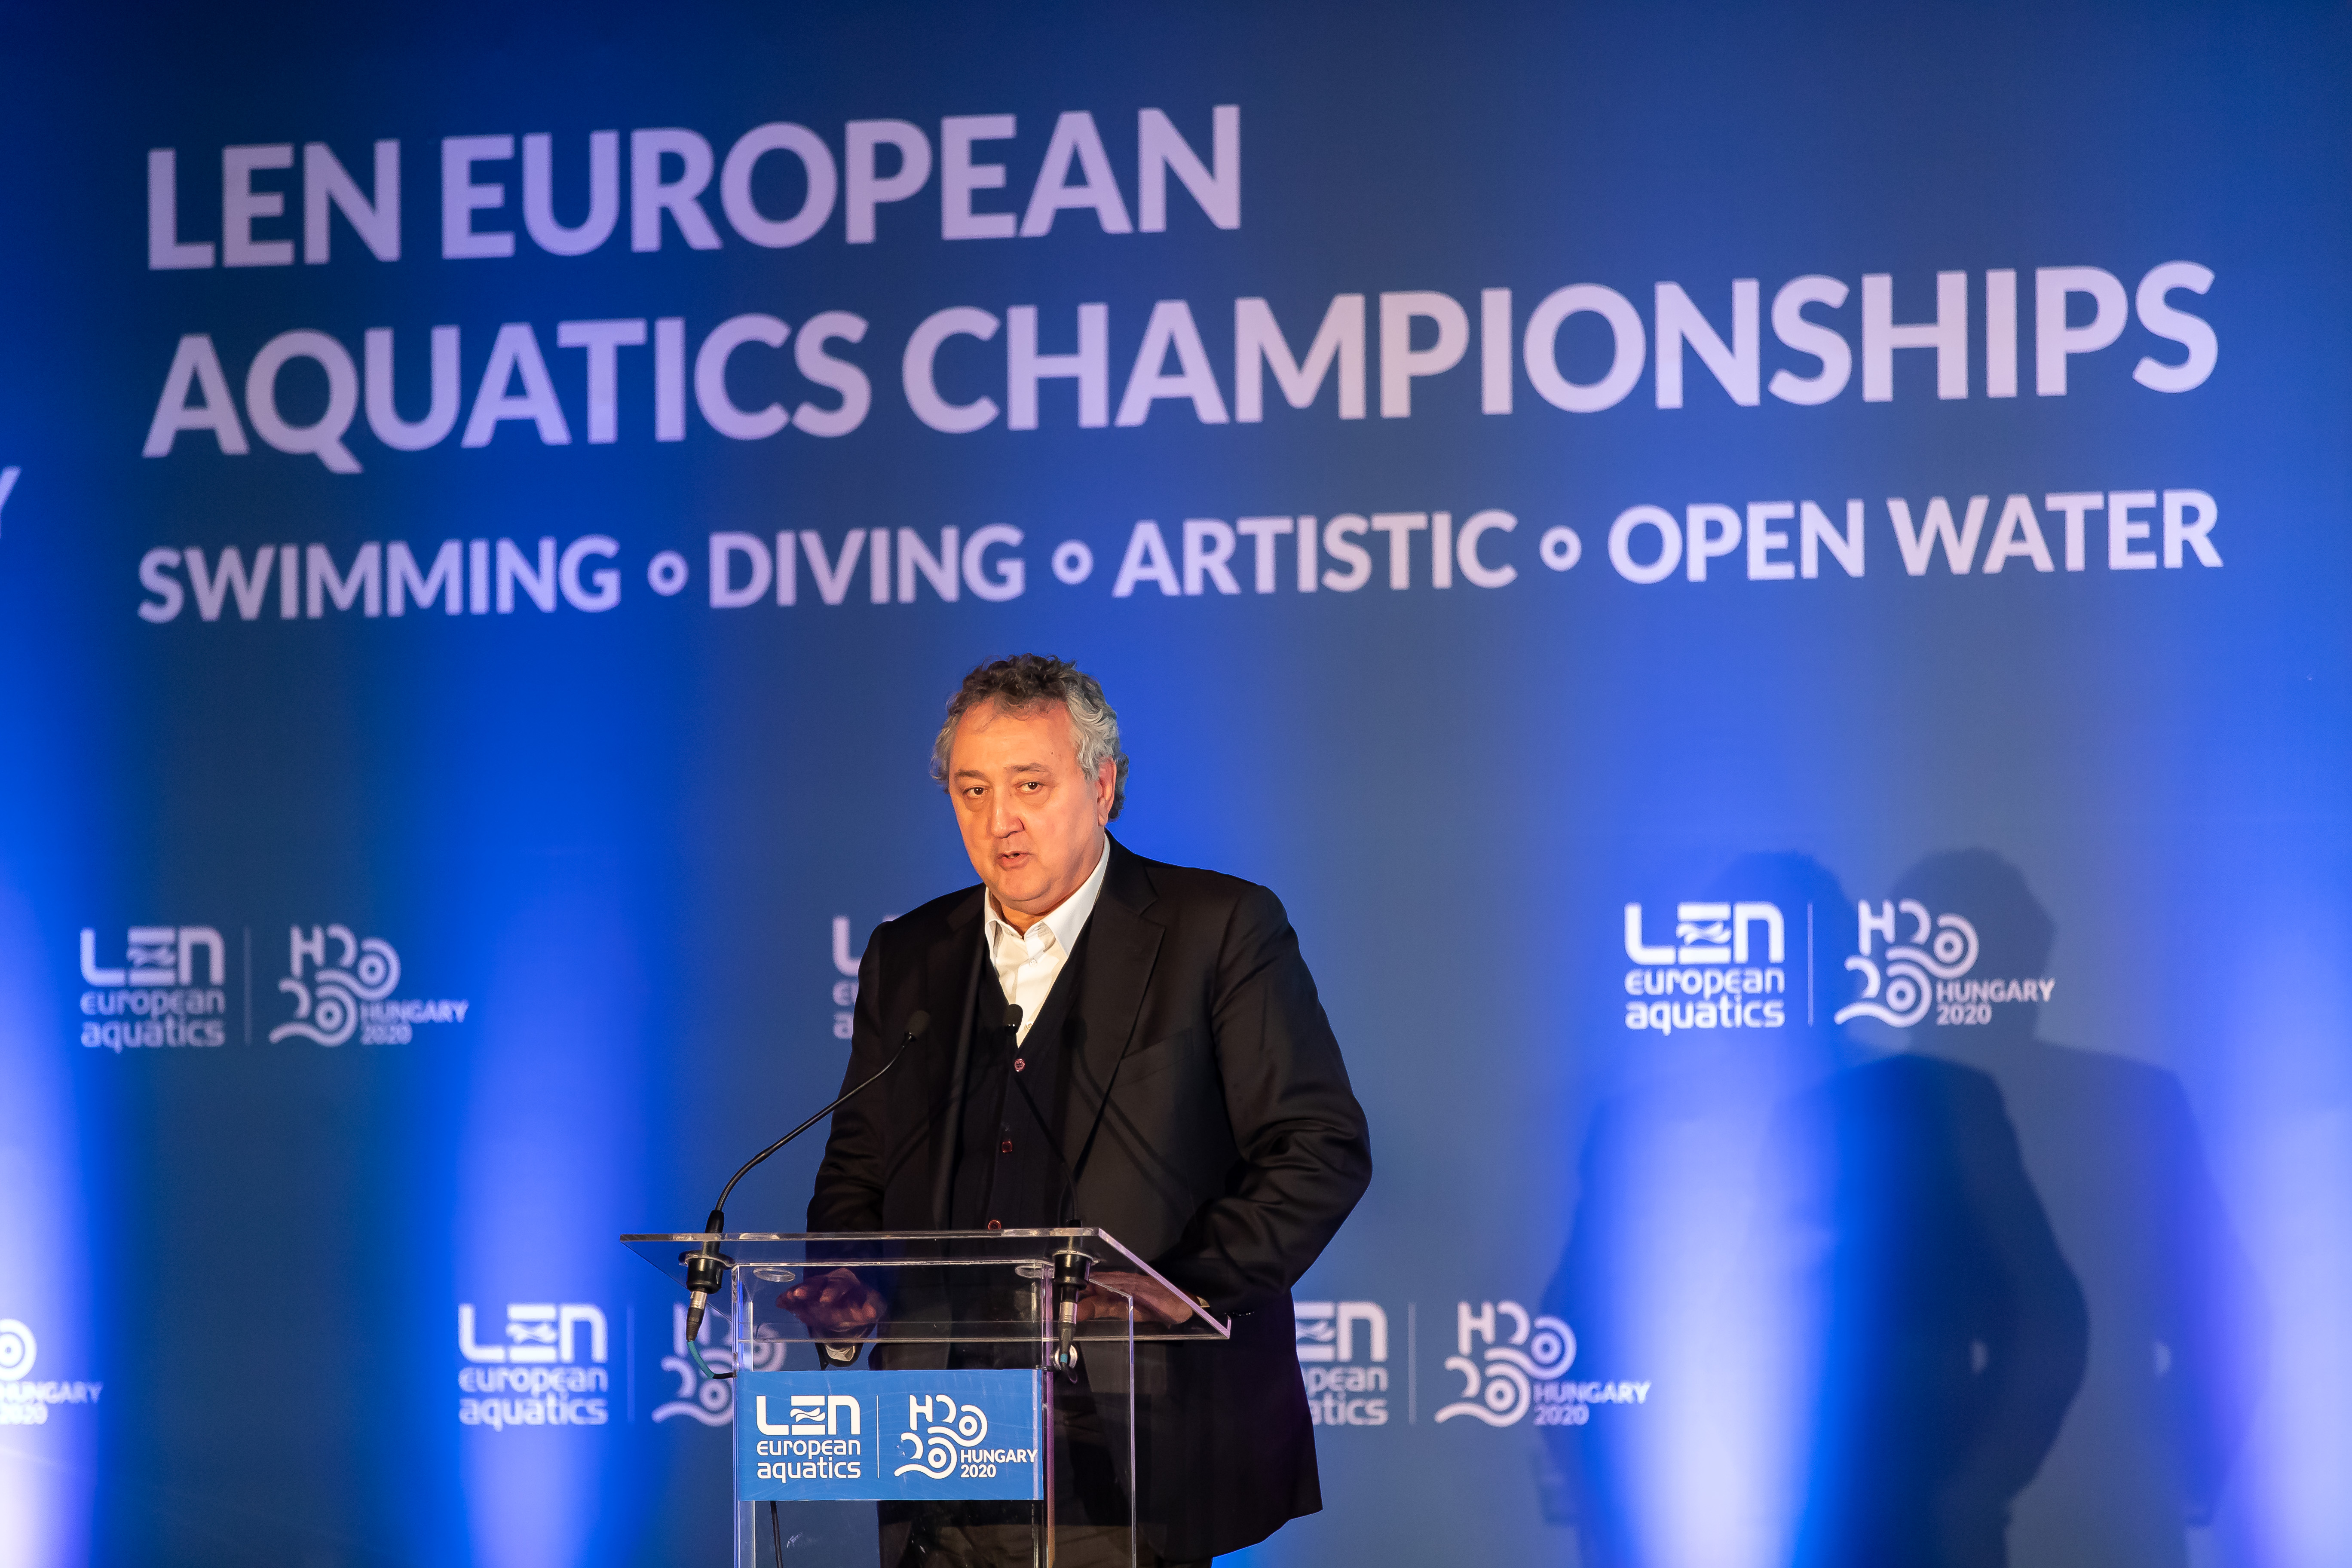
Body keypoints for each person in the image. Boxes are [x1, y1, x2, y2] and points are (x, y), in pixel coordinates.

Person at [801, 654, 1373, 1568]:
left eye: (1030, 785)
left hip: (1130, 1437)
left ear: (1102, 787)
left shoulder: (1216, 928)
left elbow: (1317, 1146)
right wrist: (848, 1280)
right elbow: (860, 1164)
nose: (1000, 819)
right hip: (932, 1441)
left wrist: (1181, 1288)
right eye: (972, 790)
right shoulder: (907, 956)